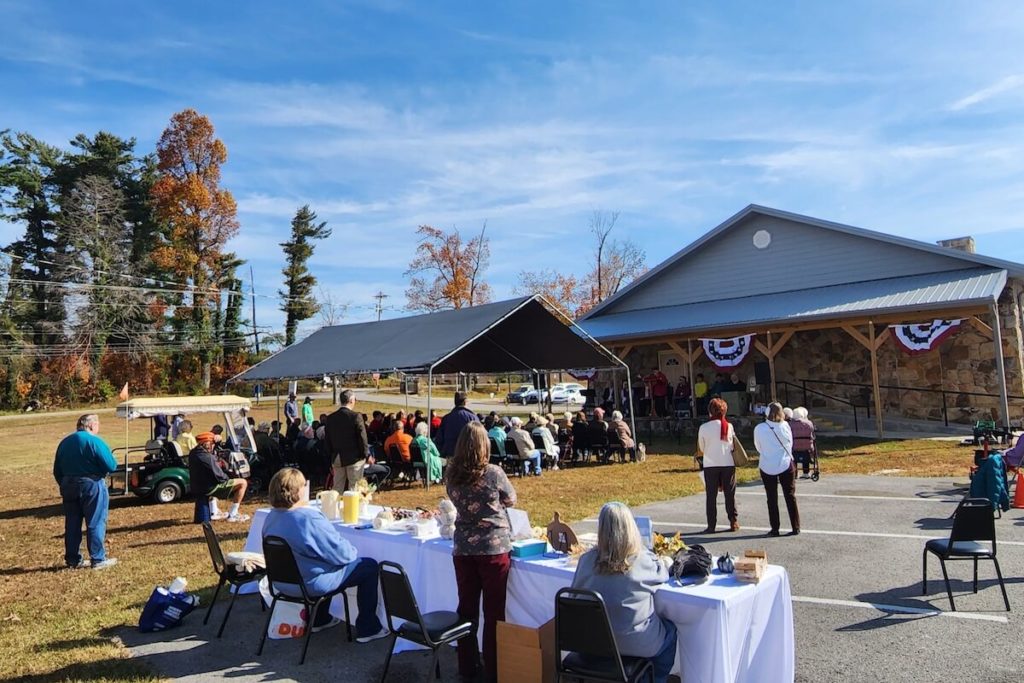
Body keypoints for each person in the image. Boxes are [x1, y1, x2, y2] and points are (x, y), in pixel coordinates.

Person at [262, 468, 388, 641]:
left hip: (281, 583)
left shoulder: (271, 518)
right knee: (367, 566)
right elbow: (343, 554)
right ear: (298, 491)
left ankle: (321, 619)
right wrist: (352, 551)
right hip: (310, 584)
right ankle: (369, 628)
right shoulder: (307, 519)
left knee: (325, 563)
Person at [571, 502, 677, 683]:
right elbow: (663, 573)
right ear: (631, 528)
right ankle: (656, 679)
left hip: (591, 642)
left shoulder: (586, 561)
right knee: (671, 631)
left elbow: (574, 595)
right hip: (635, 643)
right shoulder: (642, 561)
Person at [445, 422, 517, 681]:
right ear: (484, 445)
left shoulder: (451, 473)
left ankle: (468, 666)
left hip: (464, 548)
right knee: (494, 612)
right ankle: (493, 670)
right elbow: (511, 499)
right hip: (493, 549)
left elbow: (453, 498)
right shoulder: (493, 473)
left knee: (467, 609)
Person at [53, 414, 118, 569]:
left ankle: (72, 559)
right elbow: (111, 465)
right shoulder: (94, 441)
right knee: (95, 521)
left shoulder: (65, 443)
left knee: (72, 523)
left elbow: (57, 470)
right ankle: (98, 559)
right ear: (91, 425)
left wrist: (64, 483)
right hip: (91, 483)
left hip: (68, 484)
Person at [754, 402, 801, 536]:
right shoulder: (786, 426)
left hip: (767, 465)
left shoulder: (759, 428)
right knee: (790, 496)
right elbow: (790, 444)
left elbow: (758, 447)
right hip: (785, 463)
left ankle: (775, 528)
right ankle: (795, 526)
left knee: (771, 497)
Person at [697, 398, 739, 533]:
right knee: (730, 494)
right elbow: (732, 445)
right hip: (727, 463)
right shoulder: (729, 426)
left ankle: (711, 525)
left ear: (710, 411)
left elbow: (701, 447)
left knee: (711, 495)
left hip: (711, 464)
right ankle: (733, 521)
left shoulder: (704, 427)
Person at [188, 432, 249, 523]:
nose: (213, 445)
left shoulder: (193, 453)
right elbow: (220, 476)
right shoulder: (207, 457)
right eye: (212, 443)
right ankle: (233, 514)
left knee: (212, 479)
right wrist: (228, 479)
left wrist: (216, 443)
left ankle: (214, 511)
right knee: (243, 483)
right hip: (209, 488)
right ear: (206, 444)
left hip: (198, 486)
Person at [323, 389, 370, 493]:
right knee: (355, 487)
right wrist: (366, 454)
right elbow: (362, 438)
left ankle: (334, 507)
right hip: (354, 457)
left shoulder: (330, 418)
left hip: (337, 457)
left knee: (337, 487)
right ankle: (353, 508)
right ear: (351, 400)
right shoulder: (356, 417)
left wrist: (330, 456)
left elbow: (327, 440)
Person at [436, 392, 479, 459]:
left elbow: (439, 439)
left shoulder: (446, 418)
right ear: (465, 402)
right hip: (467, 456)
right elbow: (479, 439)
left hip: (450, 455)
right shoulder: (472, 418)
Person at [790, 406, 816, 479]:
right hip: (807, 446)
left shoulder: (790, 424)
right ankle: (806, 473)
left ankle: (794, 473)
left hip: (794, 447)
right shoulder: (809, 423)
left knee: (793, 455)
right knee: (806, 452)